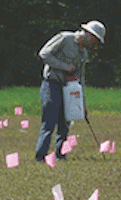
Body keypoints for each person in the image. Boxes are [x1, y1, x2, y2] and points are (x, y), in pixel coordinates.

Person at [35, 20, 106, 162]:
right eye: (96, 40)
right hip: (52, 84)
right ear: (89, 34)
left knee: (65, 123)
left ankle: (61, 155)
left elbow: (81, 79)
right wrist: (64, 66)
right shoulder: (64, 38)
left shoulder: (83, 54)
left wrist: (83, 105)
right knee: (49, 121)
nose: (95, 43)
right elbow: (44, 54)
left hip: (69, 88)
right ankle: (41, 157)